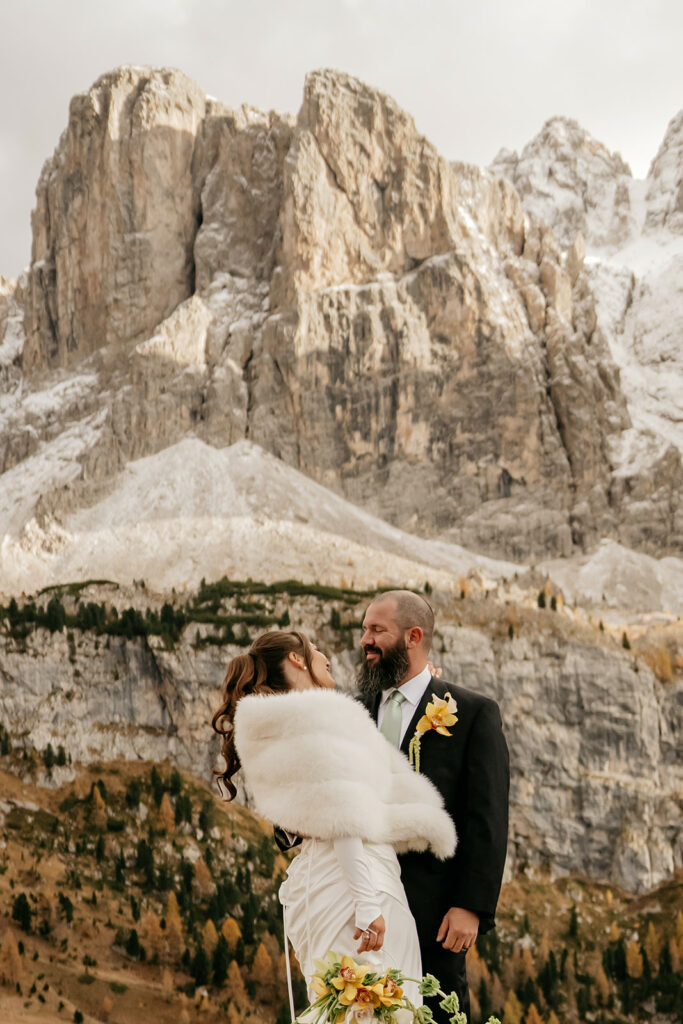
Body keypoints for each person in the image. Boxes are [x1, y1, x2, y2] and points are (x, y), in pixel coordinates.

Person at [211, 630, 457, 1015]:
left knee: (367, 1006)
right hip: (353, 882)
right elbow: (341, 816)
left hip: (338, 877)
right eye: (314, 650)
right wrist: (365, 902)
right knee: (374, 1004)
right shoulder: (313, 718)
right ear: (296, 659)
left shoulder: (287, 724)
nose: (326, 658)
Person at [357, 590, 510, 1022]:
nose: (365, 640)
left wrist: (472, 906)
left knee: (435, 1012)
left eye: (376, 630)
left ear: (413, 636)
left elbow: (488, 818)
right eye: (364, 629)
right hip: (362, 907)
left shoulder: (473, 713)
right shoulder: (352, 711)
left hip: (435, 913)